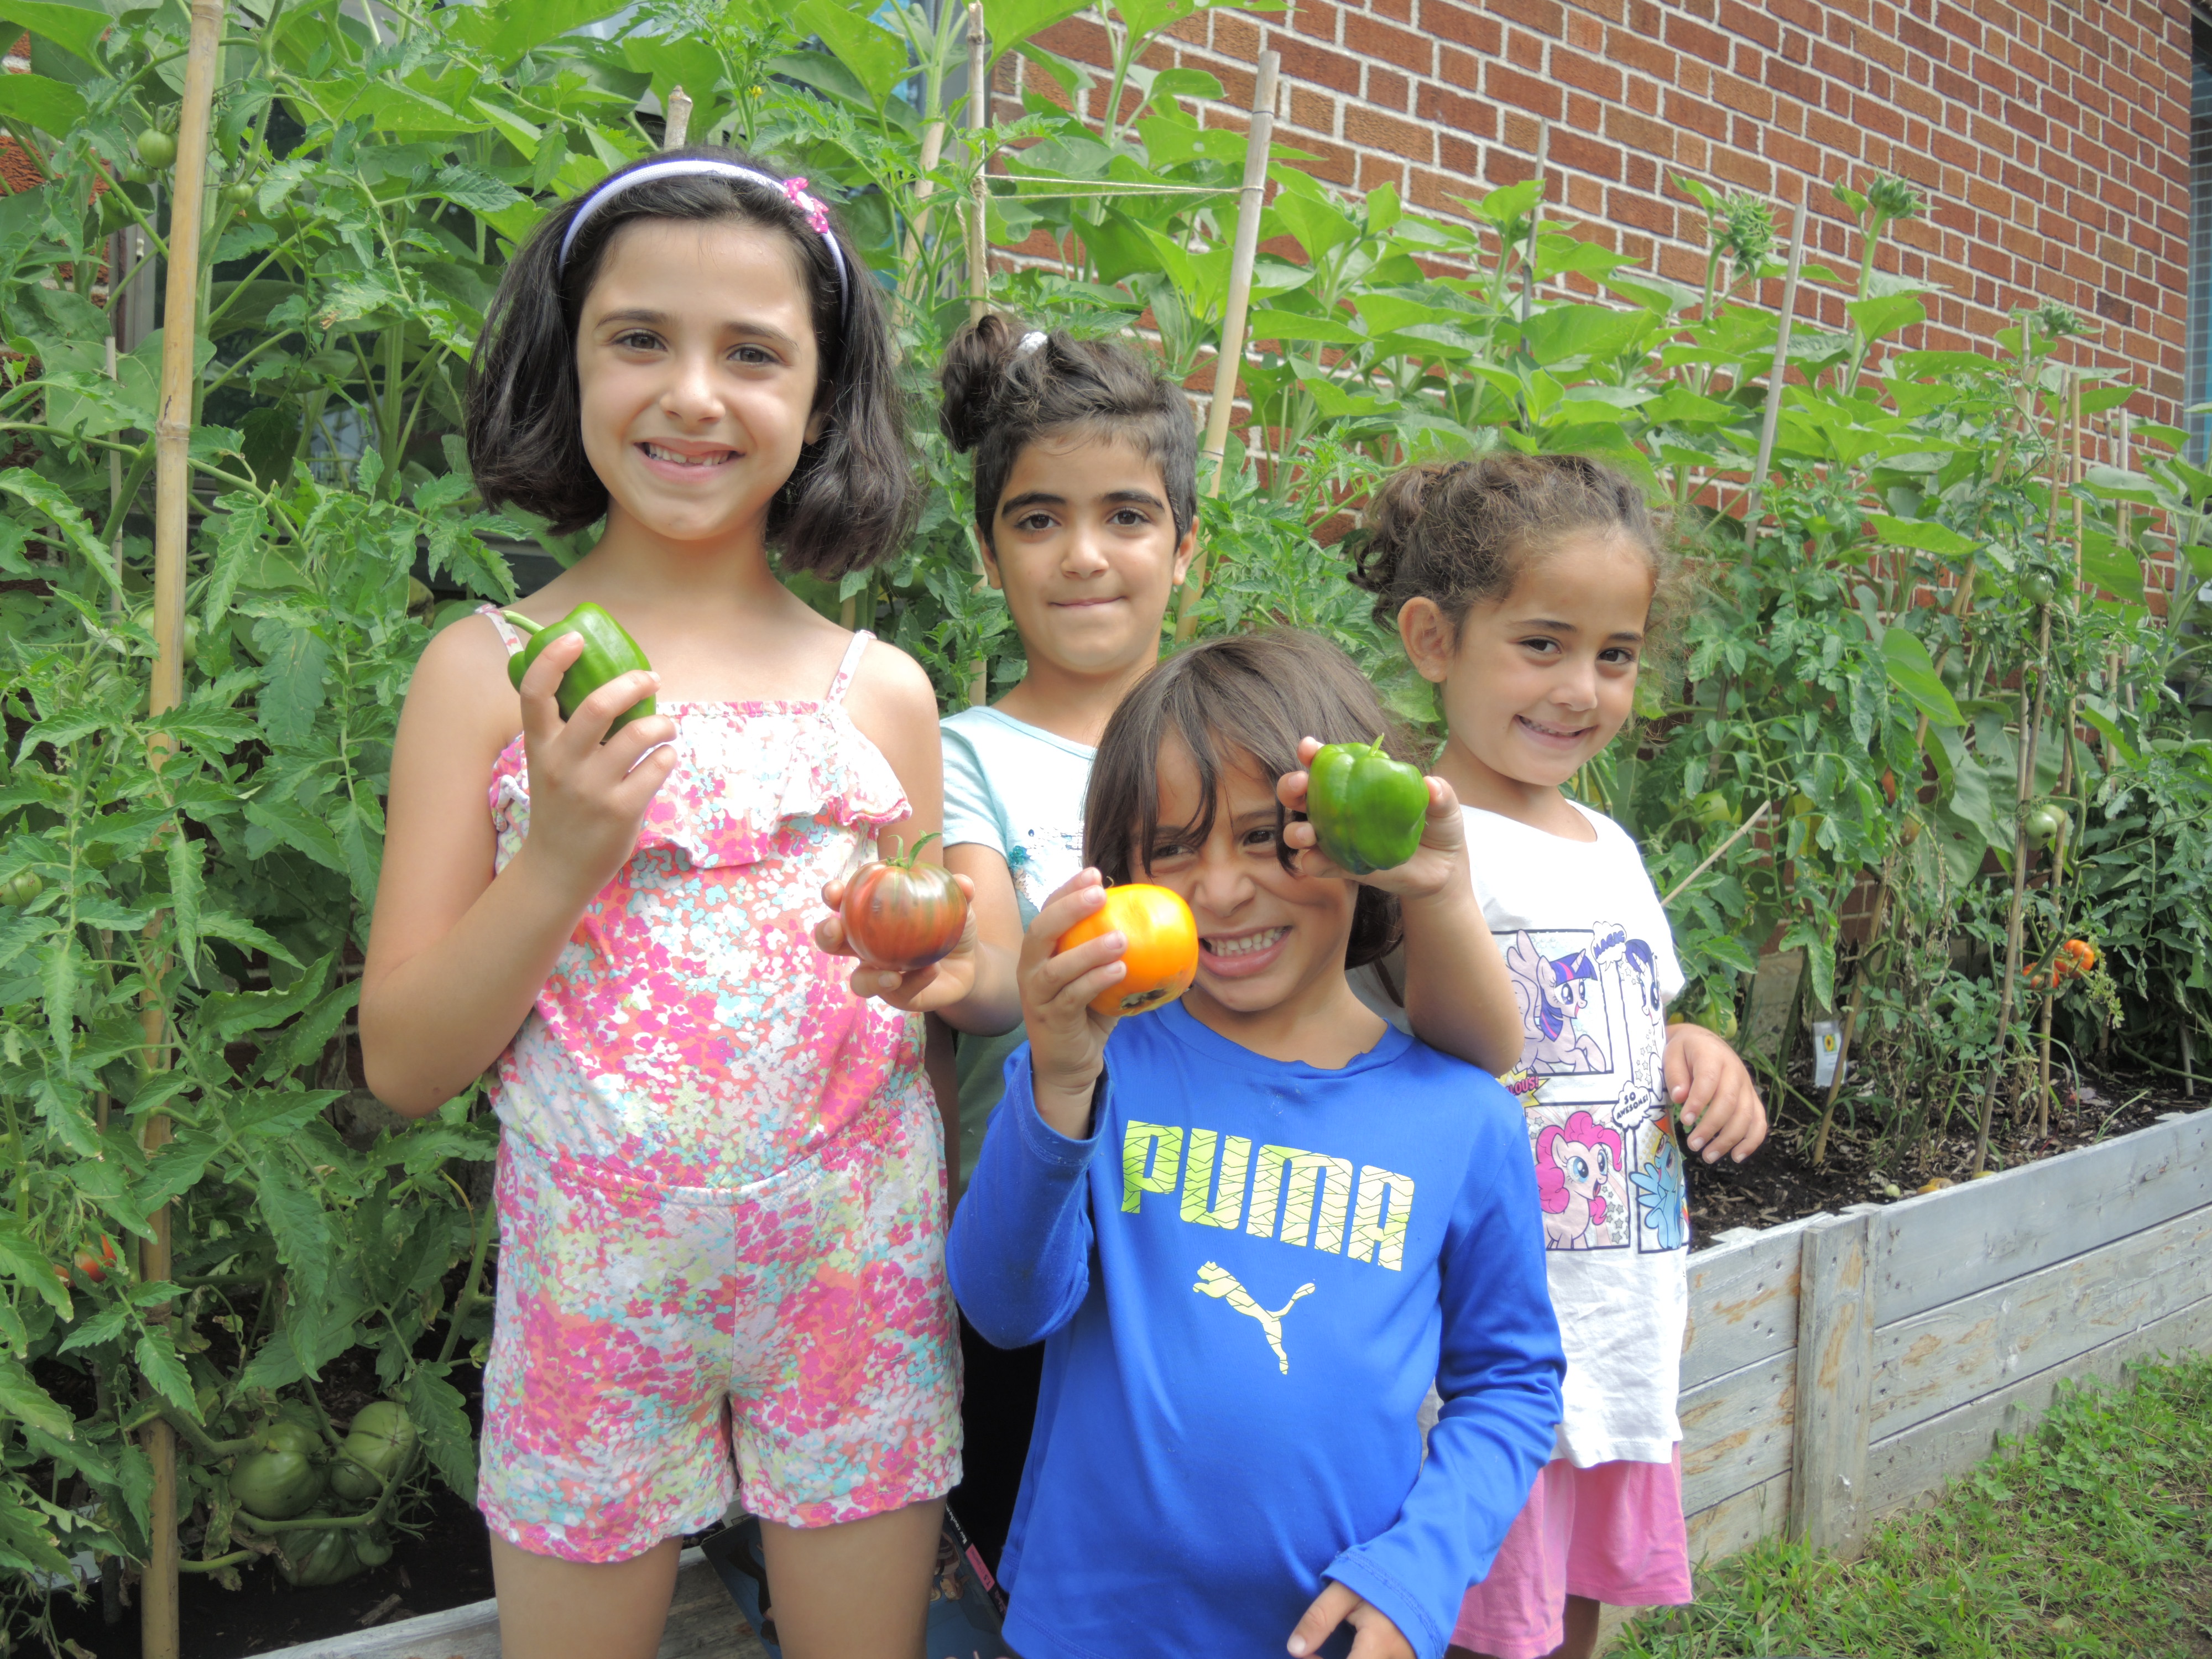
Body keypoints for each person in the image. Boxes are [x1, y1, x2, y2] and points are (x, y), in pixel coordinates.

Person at [358, 149, 965, 1659]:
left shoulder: (879, 693)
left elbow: (933, 976)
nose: (693, 394)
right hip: (592, 1292)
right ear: (567, 366)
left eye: (753, 353)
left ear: (822, 401)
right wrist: (558, 856)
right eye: (640, 339)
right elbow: (406, 1062)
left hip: (857, 1272)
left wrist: (942, 969)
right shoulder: (485, 676)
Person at [815, 312, 1525, 1570]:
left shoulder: (1245, 729)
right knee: (1048, 1528)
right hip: (1066, 1210)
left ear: (1185, 548)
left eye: (1126, 517)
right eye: (1038, 521)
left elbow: (1463, 1037)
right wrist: (964, 971)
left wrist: (1434, 892)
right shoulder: (969, 751)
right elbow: (982, 954)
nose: (1083, 555)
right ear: (988, 554)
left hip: (1255, 1196)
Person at [945, 631, 1566, 1659]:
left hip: (1329, 1635)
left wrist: (1417, 1568)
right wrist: (1056, 1081)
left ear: (1358, 844)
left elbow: (1511, 1383)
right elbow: (1004, 1311)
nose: (1221, 889)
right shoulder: (1103, 1068)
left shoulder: (1461, 1118)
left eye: (1270, 838)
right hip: (1089, 1626)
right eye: (1175, 846)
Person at [1345, 453, 1770, 1659]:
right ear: (1434, 639)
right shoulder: (1413, 829)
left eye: (1614, 654)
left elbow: (1627, 1020)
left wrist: (1696, 1047)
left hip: (1615, 1307)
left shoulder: (1611, 848)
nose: (1580, 689)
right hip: (1474, 1332)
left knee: (1566, 1613)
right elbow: (1404, 1036)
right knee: (1463, 1614)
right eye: (1540, 645)